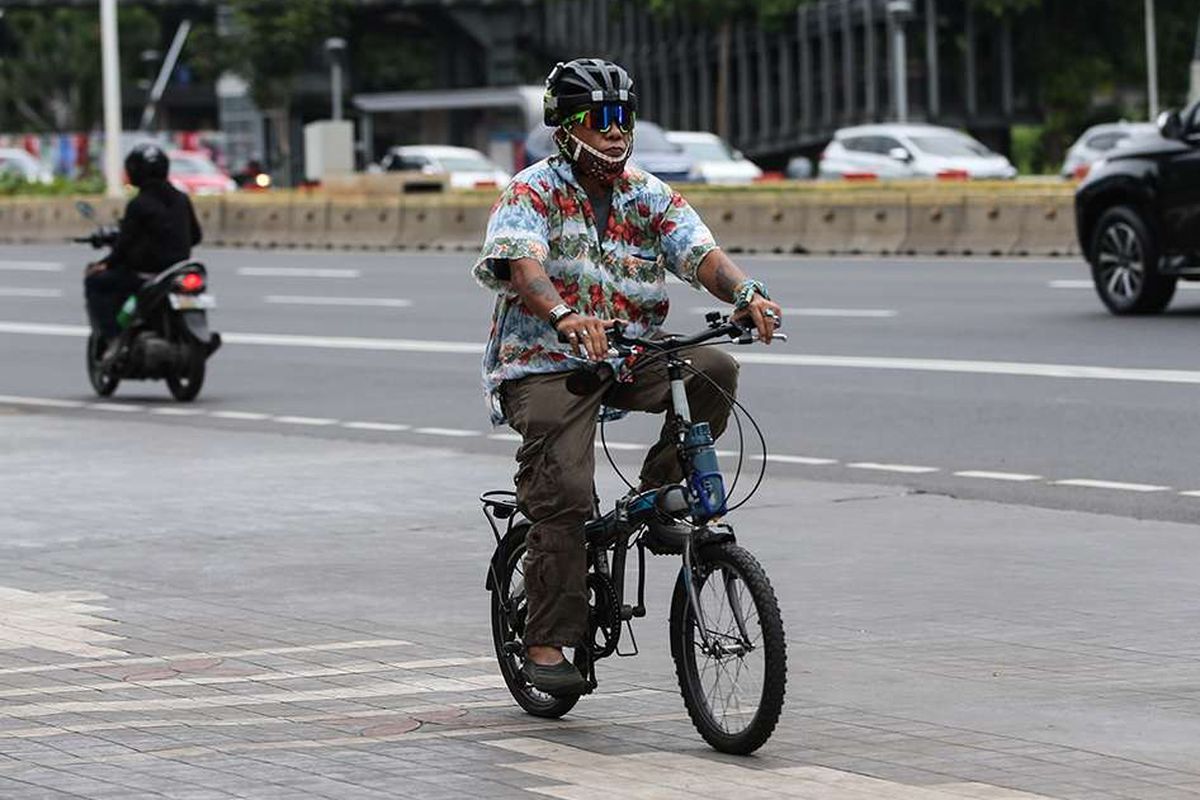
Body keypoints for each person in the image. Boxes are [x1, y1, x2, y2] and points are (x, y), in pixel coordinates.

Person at [472, 57, 783, 698]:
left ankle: (663, 494)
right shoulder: (530, 192)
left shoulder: (648, 194)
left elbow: (700, 255)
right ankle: (546, 642)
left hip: (628, 353)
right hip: (546, 365)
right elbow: (524, 269)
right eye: (602, 120)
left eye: (625, 119)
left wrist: (747, 291)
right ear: (566, 129)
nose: (617, 133)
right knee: (566, 495)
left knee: (713, 367)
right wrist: (562, 315)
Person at [84, 143, 202, 344]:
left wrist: (105, 264)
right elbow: (196, 236)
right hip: (178, 272)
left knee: (95, 281)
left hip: (145, 275)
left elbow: (124, 246)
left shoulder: (139, 204)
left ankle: (112, 337)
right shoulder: (181, 199)